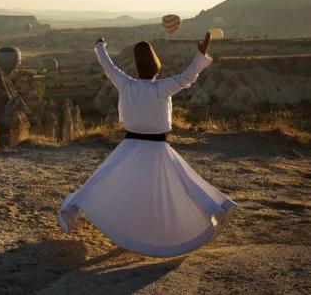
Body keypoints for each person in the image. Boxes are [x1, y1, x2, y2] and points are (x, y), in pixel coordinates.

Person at [59, 33, 236, 257]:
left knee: (104, 182)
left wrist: (99, 46)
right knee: (183, 186)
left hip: (129, 147)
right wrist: (200, 55)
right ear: (156, 66)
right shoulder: (160, 88)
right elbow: (187, 78)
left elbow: (108, 66)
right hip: (157, 150)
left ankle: (78, 209)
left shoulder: (126, 84)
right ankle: (211, 210)